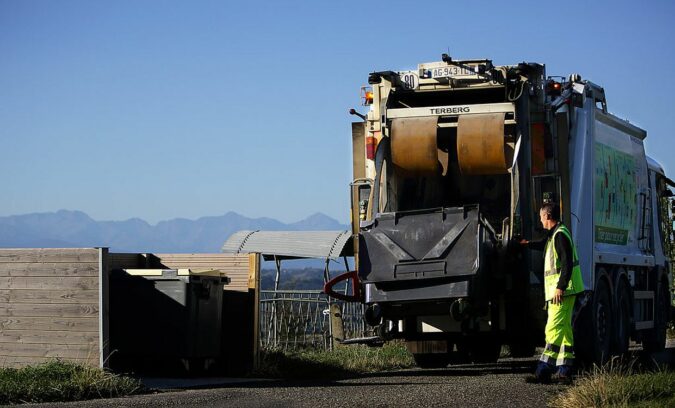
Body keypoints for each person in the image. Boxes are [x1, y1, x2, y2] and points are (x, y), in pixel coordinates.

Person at [520, 202, 584, 383]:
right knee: (564, 330)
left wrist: (560, 287)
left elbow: (567, 264)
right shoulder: (555, 234)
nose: (540, 220)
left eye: (541, 217)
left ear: (547, 216)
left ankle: (544, 370)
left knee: (553, 329)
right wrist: (527, 244)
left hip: (562, 292)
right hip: (564, 291)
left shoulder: (560, 235)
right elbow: (543, 244)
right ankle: (565, 371)